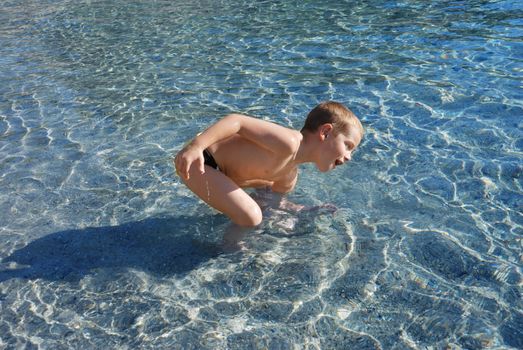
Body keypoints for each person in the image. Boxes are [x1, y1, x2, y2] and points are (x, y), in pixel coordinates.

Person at [174, 101, 363, 227]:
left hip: (222, 174)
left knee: (267, 204)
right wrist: (196, 146)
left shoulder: (289, 175)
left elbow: (274, 202)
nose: (348, 157)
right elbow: (237, 121)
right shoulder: (288, 142)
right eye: (348, 146)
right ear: (326, 132)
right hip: (200, 162)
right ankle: (229, 250)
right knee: (252, 216)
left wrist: (300, 210)